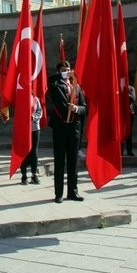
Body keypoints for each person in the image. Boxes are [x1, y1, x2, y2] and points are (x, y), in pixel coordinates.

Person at [47, 61, 87, 203]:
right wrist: (63, 74)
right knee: (59, 161)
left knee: (73, 161)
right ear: (59, 72)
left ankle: (73, 191)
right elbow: (50, 79)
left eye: (69, 69)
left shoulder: (76, 86)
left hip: (74, 128)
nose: (68, 72)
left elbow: (84, 107)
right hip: (60, 128)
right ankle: (59, 193)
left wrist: (76, 109)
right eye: (64, 70)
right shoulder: (55, 85)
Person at [20, 94, 42, 185]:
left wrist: (33, 117)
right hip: (23, 129)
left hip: (35, 128)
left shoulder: (35, 99)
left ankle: (34, 175)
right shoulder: (20, 99)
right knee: (24, 152)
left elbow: (40, 112)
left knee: (34, 152)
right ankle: (24, 175)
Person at [122, 85, 136, 157]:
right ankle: (120, 150)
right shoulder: (117, 87)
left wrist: (125, 93)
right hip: (120, 113)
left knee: (129, 132)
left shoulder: (131, 88)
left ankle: (129, 150)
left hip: (129, 113)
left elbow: (133, 99)